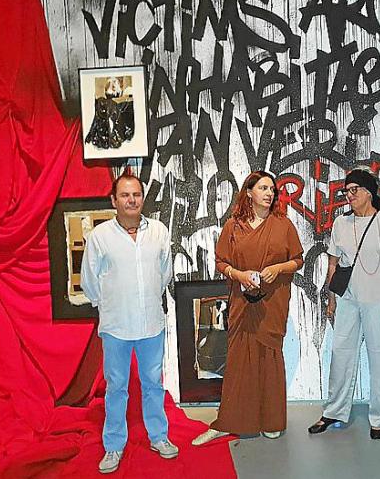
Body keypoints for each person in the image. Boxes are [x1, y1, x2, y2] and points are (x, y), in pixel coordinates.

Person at [192, 171, 303, 445]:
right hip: (242, 302)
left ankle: (271, 420)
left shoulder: (283, 225)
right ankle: (230, 420)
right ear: (249, 193)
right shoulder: (234, 226)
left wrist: (278, 268)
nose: (269, 193)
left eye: (272, 189)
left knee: (269, 358)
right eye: (263, 188)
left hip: (272, 302)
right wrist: (239, 275)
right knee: (239, 361)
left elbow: (297, 260)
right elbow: (221, 262)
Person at [80, 173, 178, 474]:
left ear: (142, 198)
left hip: (151, 325)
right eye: (125, 195)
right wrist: (111, 305)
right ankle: (113, 445)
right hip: (116, 327)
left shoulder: (159, 232)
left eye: (136, 194)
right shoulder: (100, 237)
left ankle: (158, 437)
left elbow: (164, 273)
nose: (131, 200)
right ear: (114, 200)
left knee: (153, 385)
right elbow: (89, 281)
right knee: (116, 388)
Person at [308, 168, 380, 440]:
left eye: (354, 190)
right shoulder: (341, 223)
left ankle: (379, 417)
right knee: (340, 354)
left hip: (379, 300)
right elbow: (333, 263)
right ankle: (334, 411)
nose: (349, 195)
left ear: (369, 192)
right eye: (346, 191)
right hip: (347, 299)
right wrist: (331, 298)